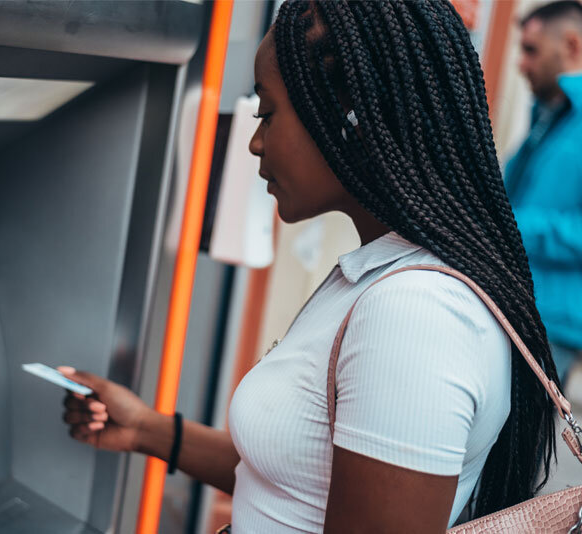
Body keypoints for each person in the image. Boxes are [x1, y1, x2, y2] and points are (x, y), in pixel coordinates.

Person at [60, 1, 560, 531]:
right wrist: (147, 430)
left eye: (267, 114)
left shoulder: (416, 315)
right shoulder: (384, 275)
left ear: (352, 118)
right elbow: (303, 480)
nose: (254, 143)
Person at [506, 0, 582, 383]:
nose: (521, 63)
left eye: (531, 50)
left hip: (550, 322)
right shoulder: (549, 115)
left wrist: (512, 225)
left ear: (571, 46)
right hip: (516, 305)